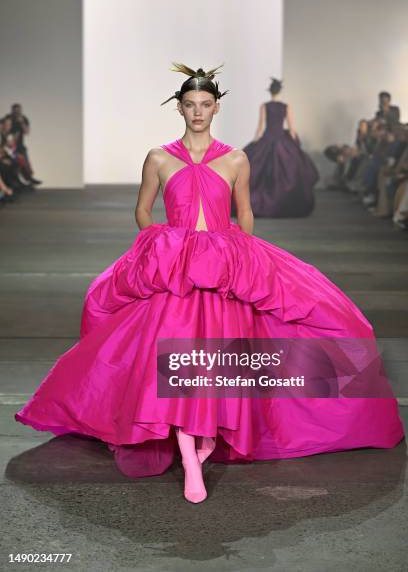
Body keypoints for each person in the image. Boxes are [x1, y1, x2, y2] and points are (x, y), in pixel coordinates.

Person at [15, 63, 405, 505]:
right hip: (177, 271)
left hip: (223, 268)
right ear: (178, 108)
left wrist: (243, 254)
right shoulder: (159, 158)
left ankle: (202, 442)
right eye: (189, 105)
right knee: (178, 361)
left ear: (216, 108)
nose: (197, 112)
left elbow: (245, 212)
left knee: (219, 358)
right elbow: (143, 210)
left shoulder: (236, 158)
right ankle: (191, 460)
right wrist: (159, 243)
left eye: (205, 105)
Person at [231, 77, 319, 218]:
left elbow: (260, 128)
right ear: (280, 91)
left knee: (259, 171)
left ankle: (256, 202)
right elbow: (291, 129)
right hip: (281, 141)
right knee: (286, 171)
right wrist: (296, 145)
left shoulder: (264, 106)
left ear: (270, 92)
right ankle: (283, 203)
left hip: (266, 139)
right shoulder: (286, 107)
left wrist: (254, 143)